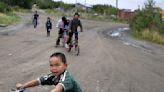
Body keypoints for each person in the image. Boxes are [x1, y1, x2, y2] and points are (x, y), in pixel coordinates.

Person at [16, 52, 82, 92]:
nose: (54, 68)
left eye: (57, 65)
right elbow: (38, 81)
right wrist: (23, 86)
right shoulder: (53, 76)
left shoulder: (67, 78)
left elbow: (58, 89)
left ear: (65, 66)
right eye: (51, 65)